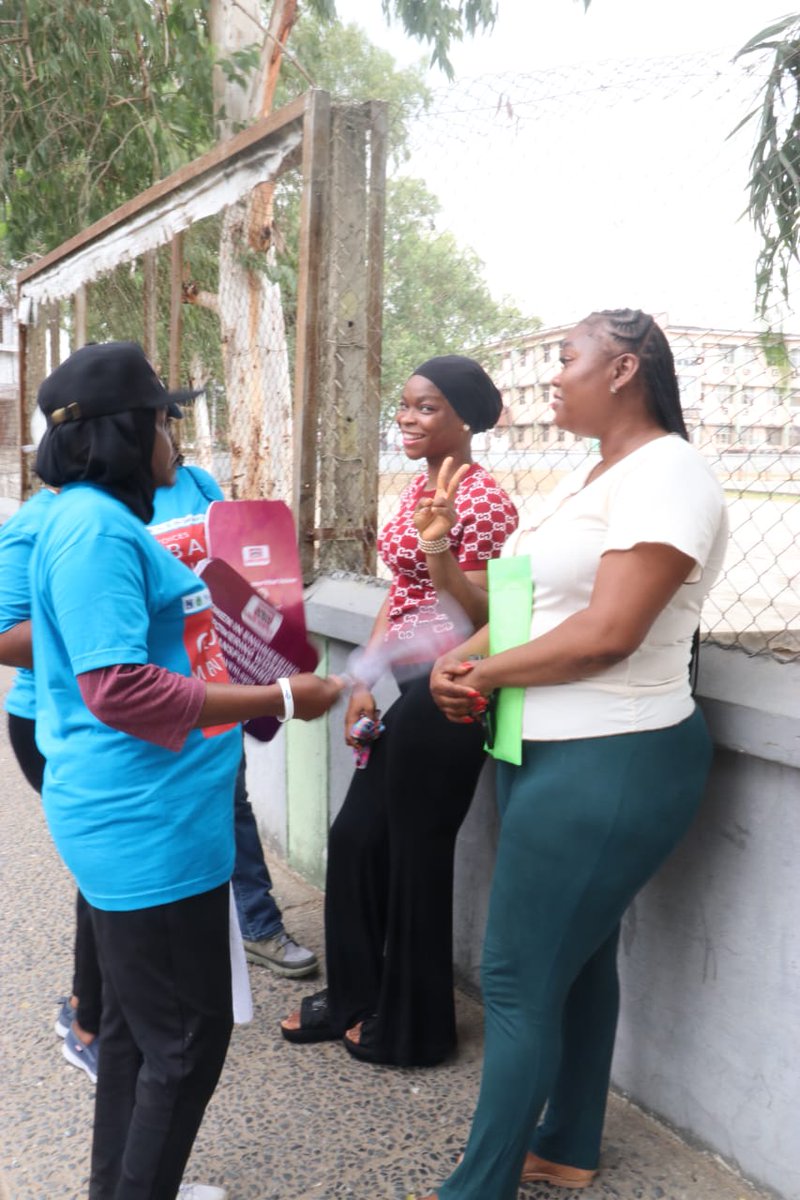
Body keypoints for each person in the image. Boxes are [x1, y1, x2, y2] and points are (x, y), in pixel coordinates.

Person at [417, 309, 729, 1200]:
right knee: (579, 959)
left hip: (612, 757)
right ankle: (567, 1144)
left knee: (514, 980)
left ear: (624, 368)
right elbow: (520, 613)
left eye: (566, 359)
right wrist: (453, 591)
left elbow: (609, 635)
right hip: (546, 749)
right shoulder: (596, 473)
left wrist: (479, 677)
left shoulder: (668, 475)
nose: (552, 376)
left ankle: (476, 1189)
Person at [29, 341, 342, 1200]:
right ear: (128, 430)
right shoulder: (91, 529)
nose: (176, 434)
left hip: (156, 816)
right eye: (166, 417)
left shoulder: (100, 522)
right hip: (144, 826)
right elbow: (118, 687)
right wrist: (278, 698)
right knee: (184, 1043)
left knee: (136, 1035)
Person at [281, 355, 518, 1066]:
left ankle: (416, 1027)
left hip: (453, 684)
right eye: (405, 407)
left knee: (416, 853)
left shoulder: (484, 502)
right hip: (404, 682)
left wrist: (439, 544)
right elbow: (401, 596)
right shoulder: (421, 488)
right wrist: (361, 676)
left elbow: (486, 613)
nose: (407, 419)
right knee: (357, 838)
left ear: (466, 417)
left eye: (426, 407)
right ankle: (356, 995)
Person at [149, 458, 318, 977]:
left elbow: (236, 569)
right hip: (149, 686)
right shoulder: (99, 505)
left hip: (215, 673)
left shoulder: (197, 482)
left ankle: (258, 926)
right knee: (156, 814)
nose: (166, 436)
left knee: (230, 801)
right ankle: (148, 947)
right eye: (154, 420)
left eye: (167, 419)